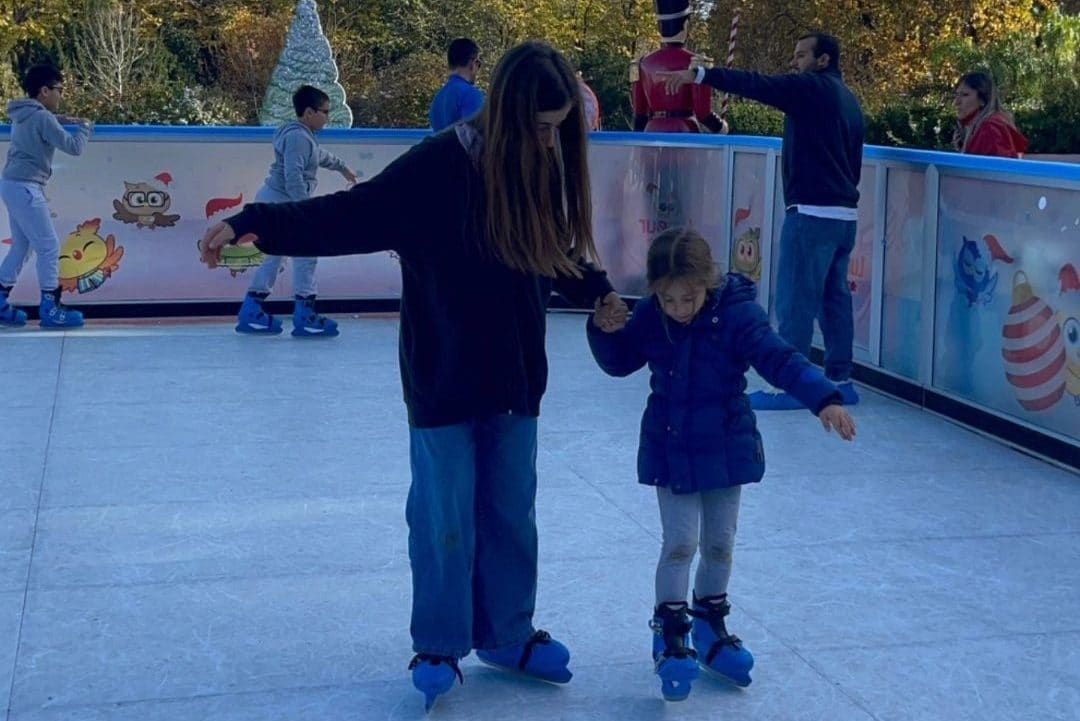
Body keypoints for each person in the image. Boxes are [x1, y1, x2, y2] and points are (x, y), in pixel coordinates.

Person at [200, 41, 629, 710]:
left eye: (558, 128)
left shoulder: (539, 168)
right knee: (443, 515)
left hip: (516, 377)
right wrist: (252, 220)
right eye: (541, 128)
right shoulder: (439, 166)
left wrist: (599, 291)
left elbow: (552, 251)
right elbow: (351, 214)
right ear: (510, 117)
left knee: (511, 510)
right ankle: (439, 641)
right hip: (444, 373)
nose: (550, 142)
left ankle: (508, 633)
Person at [586, 227, 856, 701]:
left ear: (707, 283)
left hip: (727, 446)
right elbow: (619, 361)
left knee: (720, 545)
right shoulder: (653, 317)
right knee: (679, 543)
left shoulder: (736, 315)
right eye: (667, 299)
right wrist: (603, 331)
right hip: (671, 447)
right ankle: (670, 632)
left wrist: (823, 398)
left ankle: (709, 622)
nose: (678, 309)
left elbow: (779, 359)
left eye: (687, 298)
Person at [660, 32, 864, 410]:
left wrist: (702, 75)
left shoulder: (811, 88)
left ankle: (791, 386)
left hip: (813, 212)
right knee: (834, 298)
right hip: (844, 215)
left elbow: (757, 84)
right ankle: (840, 379)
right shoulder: (849, 100)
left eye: (802, 55)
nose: (795, 62)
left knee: (796, 298)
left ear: (823, 61)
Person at [234, 84, 358, 337]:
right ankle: (305, 313)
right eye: (325, 111)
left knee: (274, 257)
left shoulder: (302, 136)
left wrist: (343, 168)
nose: (328, 117)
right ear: (309, 112)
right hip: (284, 203)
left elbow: (319, 156)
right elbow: (293, 176)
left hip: (278, 203)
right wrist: (305, 210)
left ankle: (252, 310)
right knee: (306, 253)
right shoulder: (298, 137)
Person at [0, 63, 91, 329]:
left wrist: (60, 120)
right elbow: (74, 148)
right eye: (59, 90)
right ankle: (50, 308)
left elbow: (42, 123)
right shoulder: (41, 118)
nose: (60, 96)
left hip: (12, 183)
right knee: (48, 246)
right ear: (44, 91)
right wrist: (85, 127)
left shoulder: (23, 115)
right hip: (27, 187)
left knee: (21, 246)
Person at [630, 0, 726, 134]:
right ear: (686, 25)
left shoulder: (642, 63)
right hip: (685, 131)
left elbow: (639, 115)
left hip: (651, 132)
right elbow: (703, 113)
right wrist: (721, 127)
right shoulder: (696, 62)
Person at [953, 71, 1028, 159]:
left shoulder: (990, 130)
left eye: (965, 95)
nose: (956, 102)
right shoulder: (987, 126)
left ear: (983, 99)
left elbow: (996, 170)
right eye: (956, 95)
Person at [428, 37, 484, 132]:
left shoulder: (437, 99)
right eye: (479, 64)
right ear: (473, 63)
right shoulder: (470, 94)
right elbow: (478, 137)